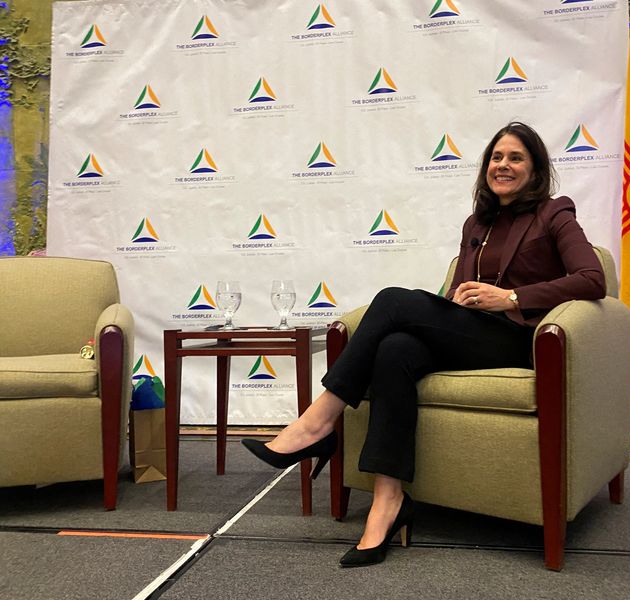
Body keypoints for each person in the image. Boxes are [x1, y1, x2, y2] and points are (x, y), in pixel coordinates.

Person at [242, 121, 606, 567]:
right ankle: (388, 503)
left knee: (393, 300)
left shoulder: (555, 214)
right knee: (395, 348)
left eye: (515, 158)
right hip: (473, 333)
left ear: (535, 169)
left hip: (519, 339)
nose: (503, 166)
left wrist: (509, 297)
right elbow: (459, 289)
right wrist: (455, 301)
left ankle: (316, 425)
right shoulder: (478, 222)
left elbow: (592, 279)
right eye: (496, 157)